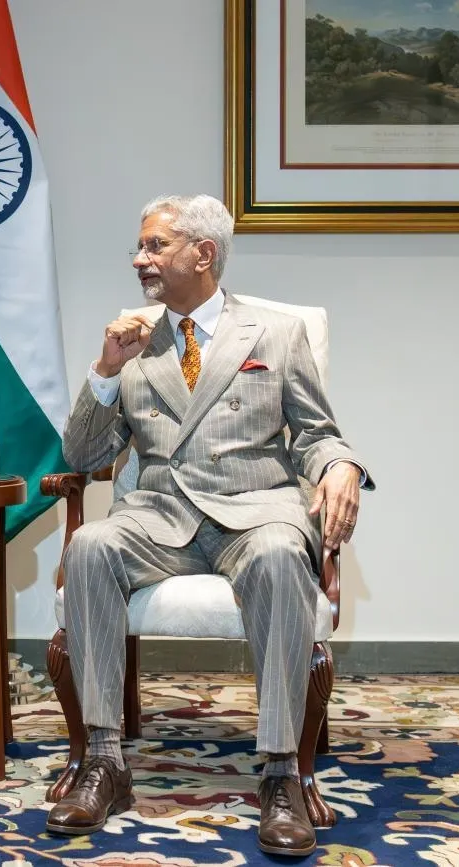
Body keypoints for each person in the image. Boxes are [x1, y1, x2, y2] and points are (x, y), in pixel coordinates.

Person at [45, 194, 372, 857]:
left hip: (253, 513)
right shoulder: (133, 338)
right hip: (158, 516)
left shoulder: (274, 335)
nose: (140, 259)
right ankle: (103, 761)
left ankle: (280, 771)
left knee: (283, 554)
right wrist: (105, 370)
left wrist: (340, 466)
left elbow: (316, 433)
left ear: (204, 253)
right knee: (88, 545)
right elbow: (82, 457)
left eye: (155, 246)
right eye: (139, 246)